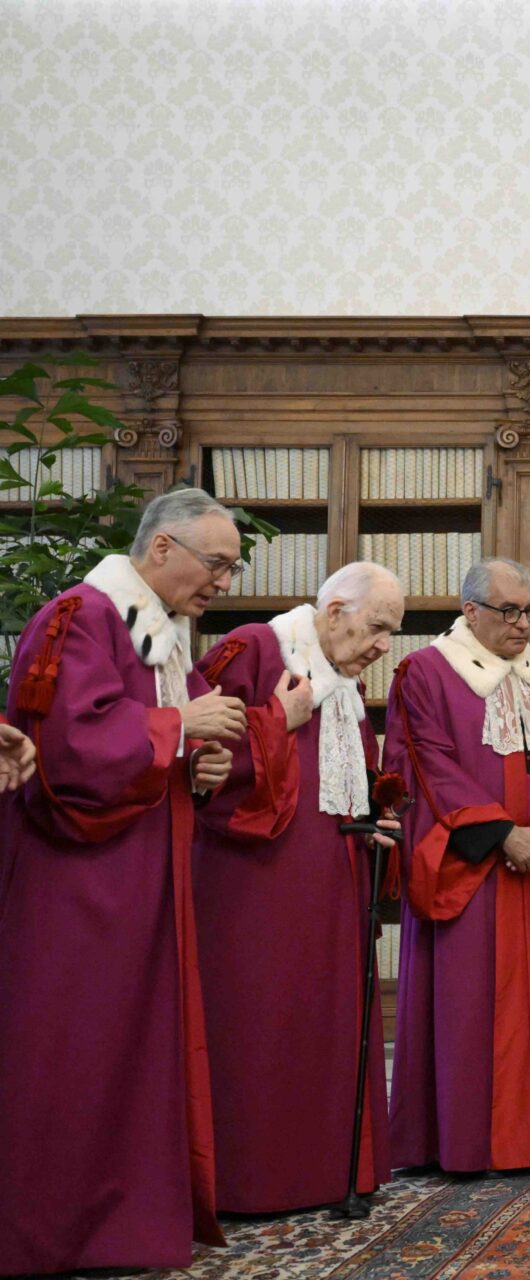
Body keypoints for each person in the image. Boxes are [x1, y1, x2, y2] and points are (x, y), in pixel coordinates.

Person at [0, 488, 269, 1273]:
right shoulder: (81, 617)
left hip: (145, 876)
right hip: (81, 885)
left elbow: (167, 749)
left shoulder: (160, 633)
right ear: (161, 549)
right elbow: (67, 746)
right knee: (78, 1051)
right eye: (217, 563)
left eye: (232, 567)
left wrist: (200, 767)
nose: (225, 581)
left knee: (137, 1053)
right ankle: (58, 1233)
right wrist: (179, 727)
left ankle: (125, 1225)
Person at [192, 561, 407, 1213]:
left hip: (335, 879)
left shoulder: (345, 680)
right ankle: (257, 1182)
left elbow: (343, 779)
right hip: (257, 886)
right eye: (377, 627)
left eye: (393, 632)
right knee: (262, 1027)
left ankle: (323, 1174)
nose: (384, 645)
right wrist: (277, 722)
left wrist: (371, 818)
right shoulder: (258, 650)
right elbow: (198, 759)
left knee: (325, 1026)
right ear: (335, 610)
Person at [383, 557, 530, 1173]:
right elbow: (427, 766)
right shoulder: (425, 672)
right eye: (509, 611)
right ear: (470, 611)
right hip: (472, 870)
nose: (523, 624)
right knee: (470, 1011)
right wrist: (503, 834)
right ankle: (464, 1144)